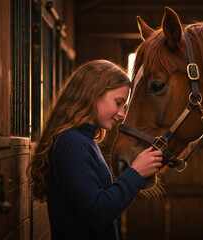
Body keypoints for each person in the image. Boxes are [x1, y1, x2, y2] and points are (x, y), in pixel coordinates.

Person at [27, 59, 163, 239]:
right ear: (94, 93)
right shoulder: (71, 143)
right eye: (118, 102)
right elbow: (97, 213)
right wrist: (136, 173)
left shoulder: (84, 140)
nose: (121, 114)